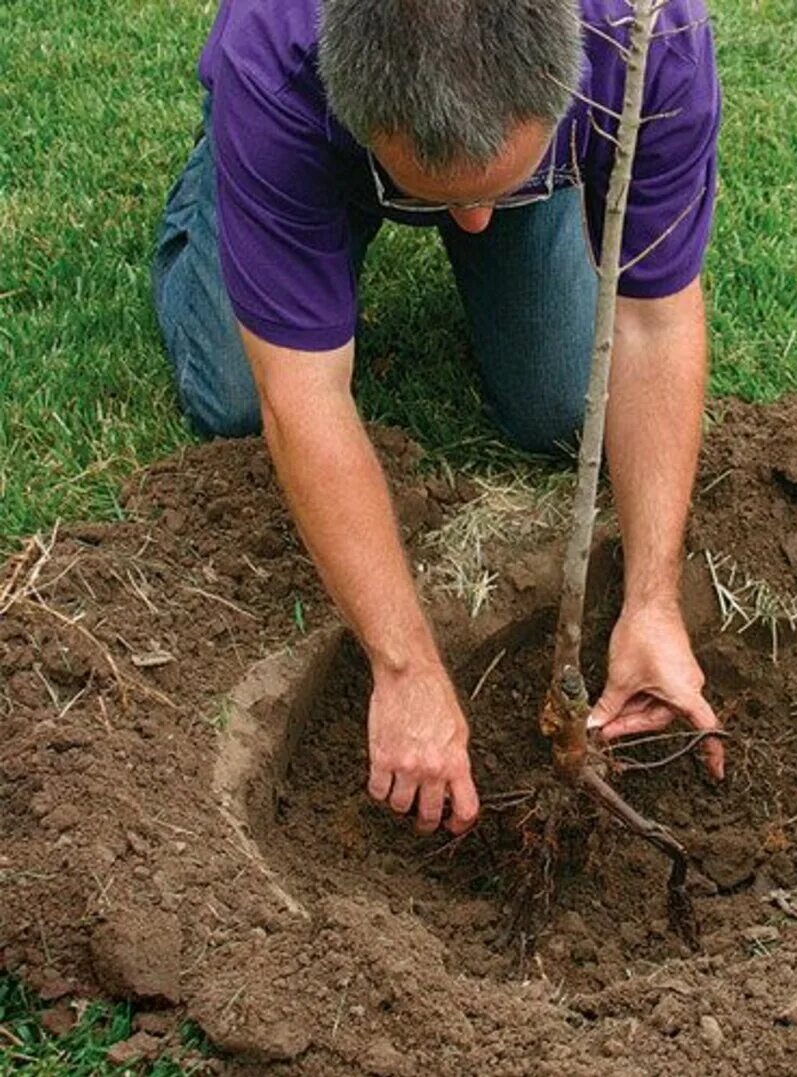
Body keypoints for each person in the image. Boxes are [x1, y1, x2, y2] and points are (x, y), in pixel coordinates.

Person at [152, 0, 725, 837]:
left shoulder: (648, 32)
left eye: (492, 190)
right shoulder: (275, 50)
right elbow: (303, 394)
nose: (473, 224)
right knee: (234, 397)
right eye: (444, 196)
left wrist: (651, 604)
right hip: (308, 144)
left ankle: (485, 175)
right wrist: (404, 667)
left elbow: (653, 321)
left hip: (511, 138)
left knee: (561, 403)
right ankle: (235, 184)